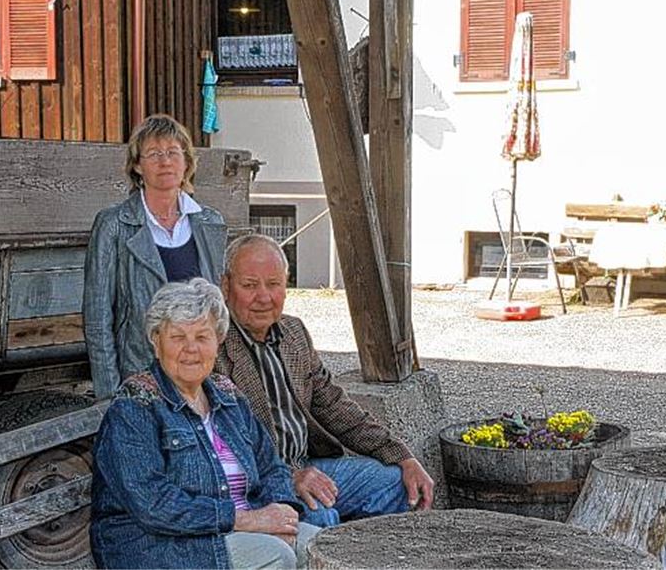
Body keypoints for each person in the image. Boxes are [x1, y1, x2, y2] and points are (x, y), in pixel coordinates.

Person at [90, 279, 320, 569]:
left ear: (218, 341)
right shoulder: (135, 407)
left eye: (202, 337)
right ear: (156, 341)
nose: (191, 349)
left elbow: (270, 466)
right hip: (159, 545)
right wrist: (245, 520)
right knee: (275, 556)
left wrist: (281, 512)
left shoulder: (228, 397)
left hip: (240, 528)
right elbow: (154, 505)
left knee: (321, 547)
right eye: (177, 337)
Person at [215, 234, 435, 527]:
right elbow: (224, 442)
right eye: (249, 285)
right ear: (225, 286)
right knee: (321, 516)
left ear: (286, 285)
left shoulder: (293, 332)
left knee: (397, 484)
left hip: (308, 463)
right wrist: (289, 476)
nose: (264, 297)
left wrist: (403, 456)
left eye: (274, 284)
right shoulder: (212, 345)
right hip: (255, 482)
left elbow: (333, 405)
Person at [83, 114, 227, 399]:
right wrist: (111, 395)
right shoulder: (114, 225)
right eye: (154, 154)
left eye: (174, 152)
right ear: (137, 166)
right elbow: (98, 318)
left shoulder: (210, 222)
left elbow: (218, 309)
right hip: (140, 374)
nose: (165, 161)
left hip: (198, 373)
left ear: (186, 162)